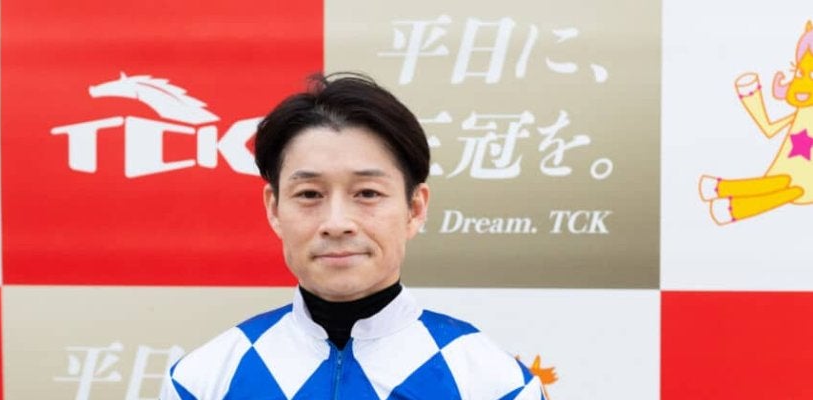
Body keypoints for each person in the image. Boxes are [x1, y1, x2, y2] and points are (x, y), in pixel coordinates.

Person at [162, 73, 544, 400]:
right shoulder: (202, 381)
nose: (337, 223)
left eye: (367, 193)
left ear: (415, 208)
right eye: (309, 194)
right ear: (274, 209)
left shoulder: (494, 384)